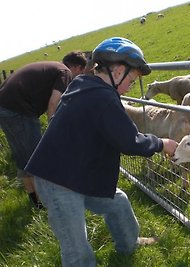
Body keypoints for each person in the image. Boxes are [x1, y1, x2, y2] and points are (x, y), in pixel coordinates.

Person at [25, 37, 178, 267]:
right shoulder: (102, 96)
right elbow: (130, 141)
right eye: (132, 79)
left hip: (78, 172)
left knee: (118, 202)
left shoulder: (84, 85)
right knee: (77, 249)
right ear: (117, 72)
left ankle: (129, 244)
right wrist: (161, 143)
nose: (130, 86)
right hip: (56, 180)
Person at [0, 51, 87, 209]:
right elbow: (53, 104)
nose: (79, 76)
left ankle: (37, 203)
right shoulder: (65, 72)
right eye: (81, 72)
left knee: (23, 157)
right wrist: (54, 131)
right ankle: (49, 202)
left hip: (5, 107)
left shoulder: (52, 67)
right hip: (20, 111)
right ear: (77, 67)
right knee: (38, 158)